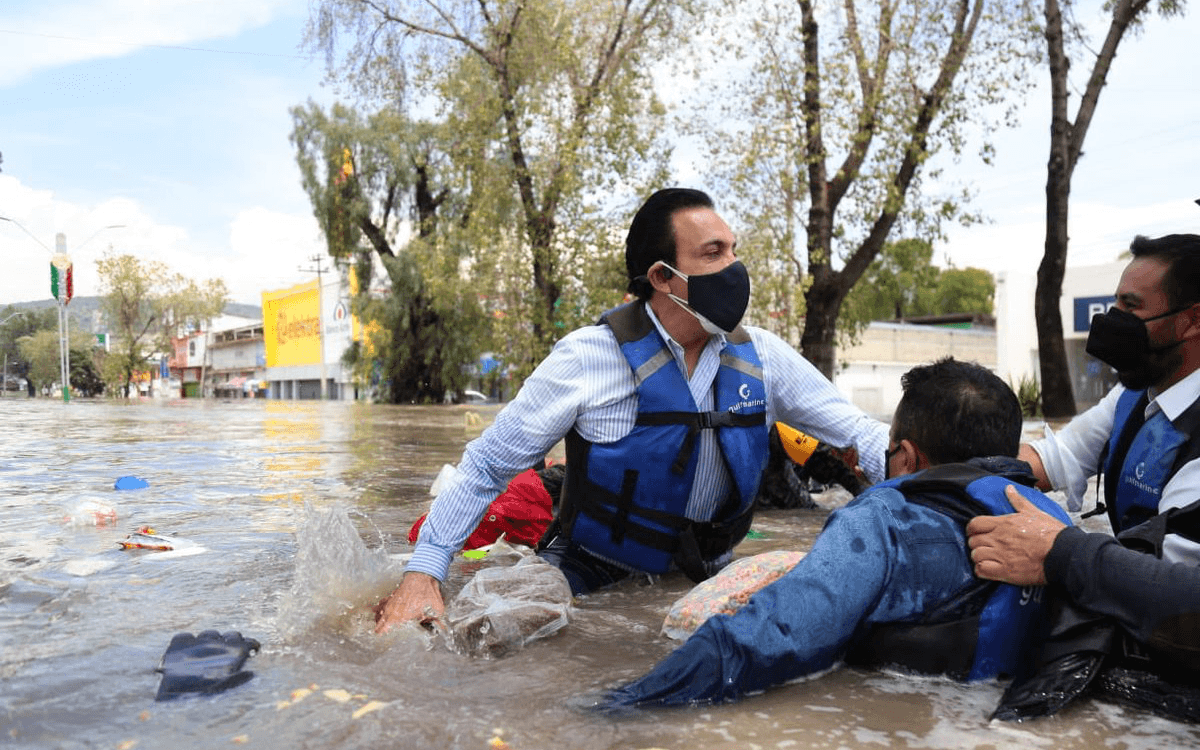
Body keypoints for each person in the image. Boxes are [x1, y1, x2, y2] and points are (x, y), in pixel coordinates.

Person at [374, 187, 889, 633]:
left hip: (709, 570)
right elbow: (486, 467)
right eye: (714, 254)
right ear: (663, 277)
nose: (735, 270)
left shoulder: (764, 357)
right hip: (587, 568)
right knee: (493, 629)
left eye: (734, 251)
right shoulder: (587, 358)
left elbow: (861, 435)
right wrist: (423, 574)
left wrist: (958, 489)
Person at [599, 357, 1072, 708]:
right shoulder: (1053, 524)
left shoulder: (884, 521)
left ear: (905, 456)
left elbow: (770, 635)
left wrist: (617, 705)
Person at [1015, 233, 1200, 562]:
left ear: (1193, 320)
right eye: (1116, 302)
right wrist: (958, 468)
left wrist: (1057, 551)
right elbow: (1060, 455)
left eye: (1131, 306)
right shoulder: (1134, 396)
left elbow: (1168, 576)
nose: (1113, 318)